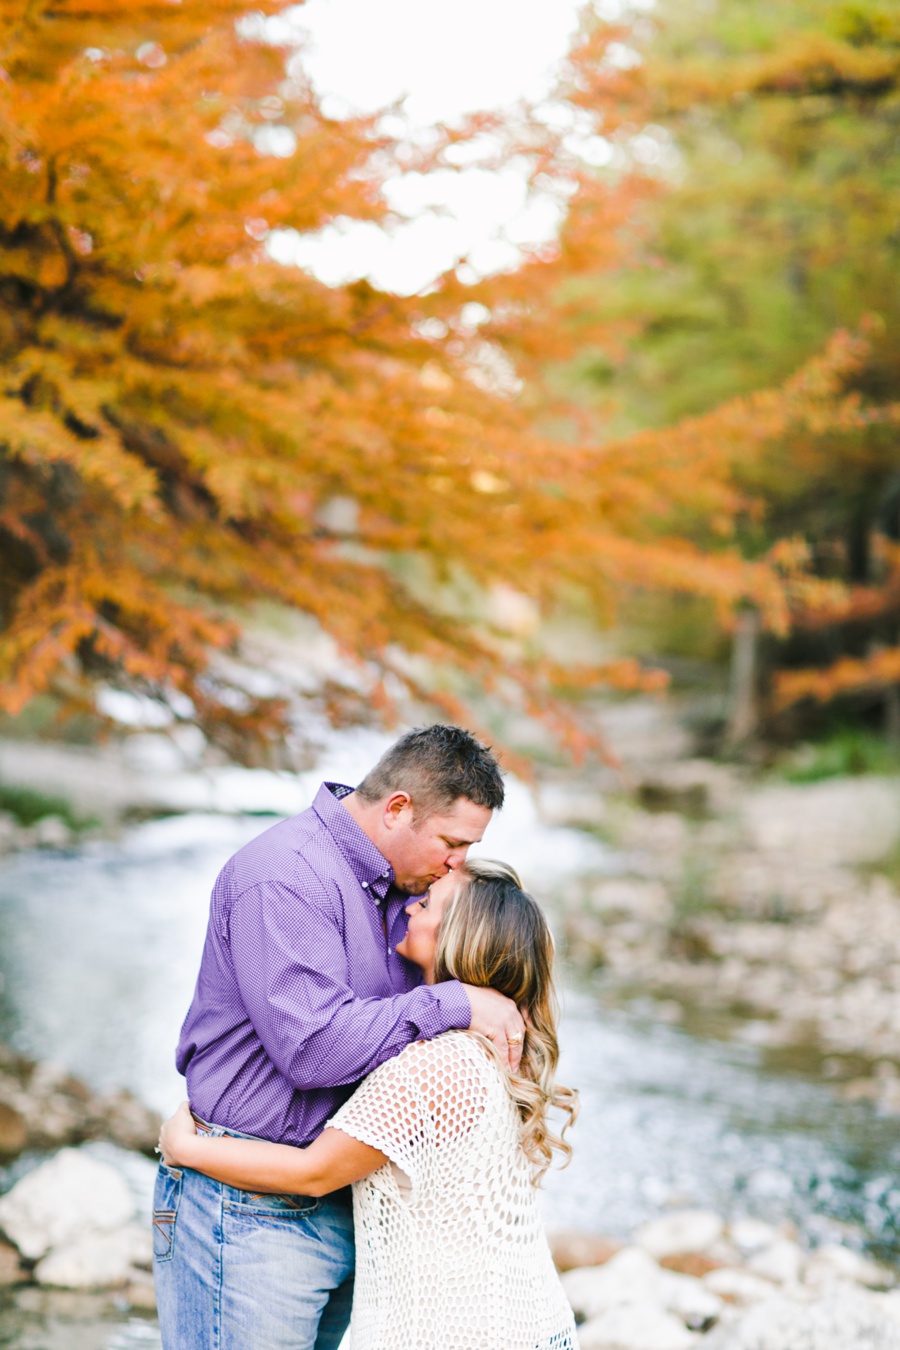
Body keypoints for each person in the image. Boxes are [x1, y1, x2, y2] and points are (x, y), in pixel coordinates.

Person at [153, 724, 526, 1350]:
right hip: (246, 1207)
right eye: (452, 842)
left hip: (349, 1198)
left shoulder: (412, 892)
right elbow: (314, 1049)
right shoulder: (285, 876)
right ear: (398, 808)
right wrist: (455, 1001)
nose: (456, 863)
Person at [160, 859, 579, 1350]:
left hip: (461, 1332)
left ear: (457, 936)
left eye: (426, 905)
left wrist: (185, 1148)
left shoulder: (434, 1065)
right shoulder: (504, 1051)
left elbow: (314, 1172)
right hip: (528, 1323)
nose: (410, 907)